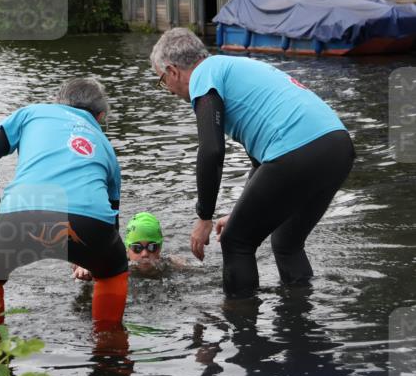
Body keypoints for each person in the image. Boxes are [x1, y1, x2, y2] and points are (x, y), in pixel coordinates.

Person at [149, 28, 355, 298]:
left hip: (296, 150)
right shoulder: (235, 67)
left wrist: (204, 217)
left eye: (162, 81)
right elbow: (261, 162)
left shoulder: (204, 75)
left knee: (236, 242)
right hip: (337, 147)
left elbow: (211, 150)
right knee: (287, 242)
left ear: (173, 70)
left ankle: (241, 322)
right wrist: (239, 212)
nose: (169, 90)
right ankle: (299, 316)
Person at [0, 77, 128, 336]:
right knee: (112, 271)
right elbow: (110, 220)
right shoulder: (106, 147)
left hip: (18, 216)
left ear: (58, 102)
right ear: (100, 117)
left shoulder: (32, 113)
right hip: (90, 225)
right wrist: (92, 258)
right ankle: (109, 353)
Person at [72, 212, 186, 281]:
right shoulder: (118, 263)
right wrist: (86, 266)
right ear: (127, 249)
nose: (145, 254)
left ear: (160, 248)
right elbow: (93, 260)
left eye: (152, 247)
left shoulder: (172, 264)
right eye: (137, 248)